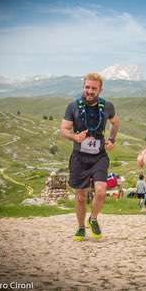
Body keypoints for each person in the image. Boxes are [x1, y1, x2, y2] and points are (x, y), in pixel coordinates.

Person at [60, 72, 119, 241]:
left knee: (101, 191)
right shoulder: (73, 106)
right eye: (87, 87)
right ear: (83, 86)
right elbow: (63, 129)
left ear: (100, 89)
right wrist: (74, 137)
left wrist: (112, 139)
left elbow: (115, 123)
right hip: (79, 157)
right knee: (80, 196)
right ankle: (80, 228)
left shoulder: (107, 106)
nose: (90, 91)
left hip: (99, 156)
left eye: (94, 88)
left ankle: (93, 219)